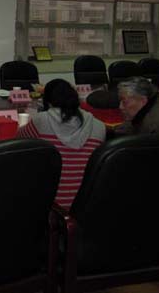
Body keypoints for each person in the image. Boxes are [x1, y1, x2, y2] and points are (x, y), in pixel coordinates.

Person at [16, 79, 106, 209]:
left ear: (48, 102)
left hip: (47, 204)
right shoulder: (99, 126)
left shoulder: (42, 120)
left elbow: (19, 142)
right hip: (85, 205)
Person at [116, 76, 159, 141]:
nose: (120, 107)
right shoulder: (152, 104)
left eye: (124, 102)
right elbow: (132, 125)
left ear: (143, 100)